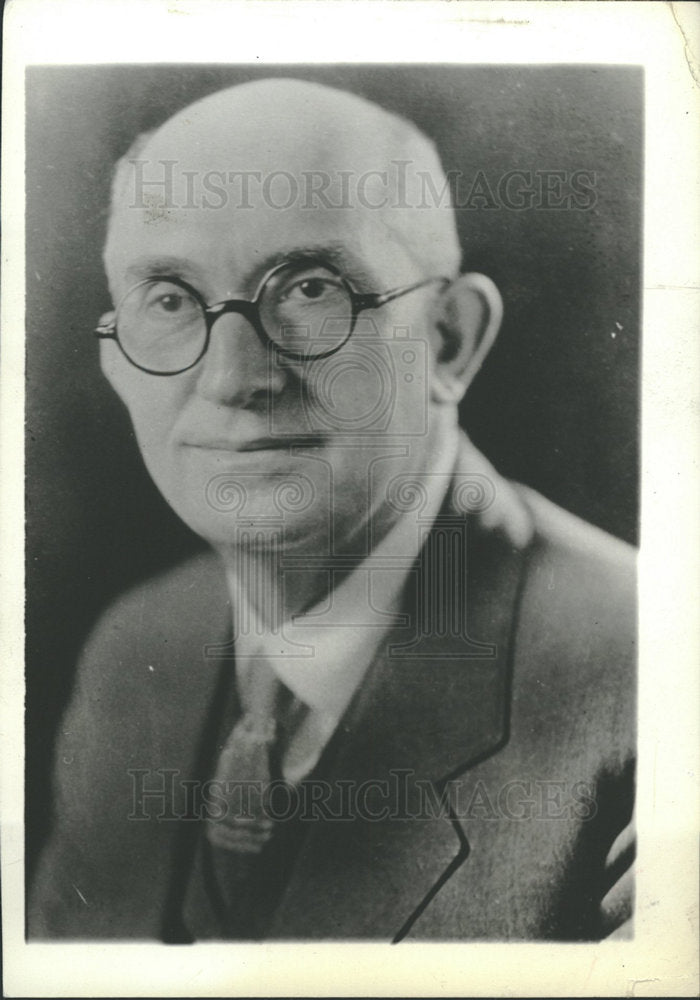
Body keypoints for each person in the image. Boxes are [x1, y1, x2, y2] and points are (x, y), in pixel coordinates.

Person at [28, 78, 635, 942]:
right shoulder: (135, 650)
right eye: (169, 299)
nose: (237, 377)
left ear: (448, 341)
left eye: (311, 290)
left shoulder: (651, 689)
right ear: (117, 360)